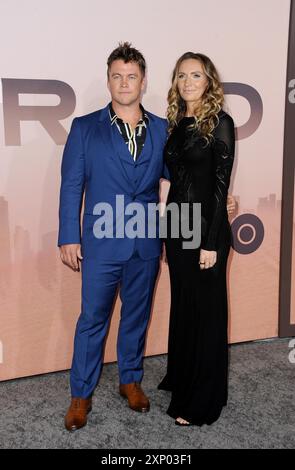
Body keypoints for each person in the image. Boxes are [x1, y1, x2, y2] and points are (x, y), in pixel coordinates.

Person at [58, 42, 235, 432]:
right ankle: (80, 394)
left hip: (147, 240)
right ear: (108, 80)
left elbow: (184, 178)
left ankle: (130, 380)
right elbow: (71, 185)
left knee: (136, 315)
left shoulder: (162, 128)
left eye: (132, 76)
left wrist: (220, 205)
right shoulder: (85, 128)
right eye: (117, 76)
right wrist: (68, 236)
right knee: (93, 319)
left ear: (143, 81)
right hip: (102, 240)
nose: (124, 83)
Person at [158, 52, 235, 426]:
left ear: (209, 81)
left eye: (196, 75)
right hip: (177, 227)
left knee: (206, 313)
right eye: (182, 75)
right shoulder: (177, 122)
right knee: (185, 307)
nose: (188, 82)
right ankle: (183, 376)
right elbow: (177, 181)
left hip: (206, 230)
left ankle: (203, 398)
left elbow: (221, 187)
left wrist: (211, 241)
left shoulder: (221, 123)